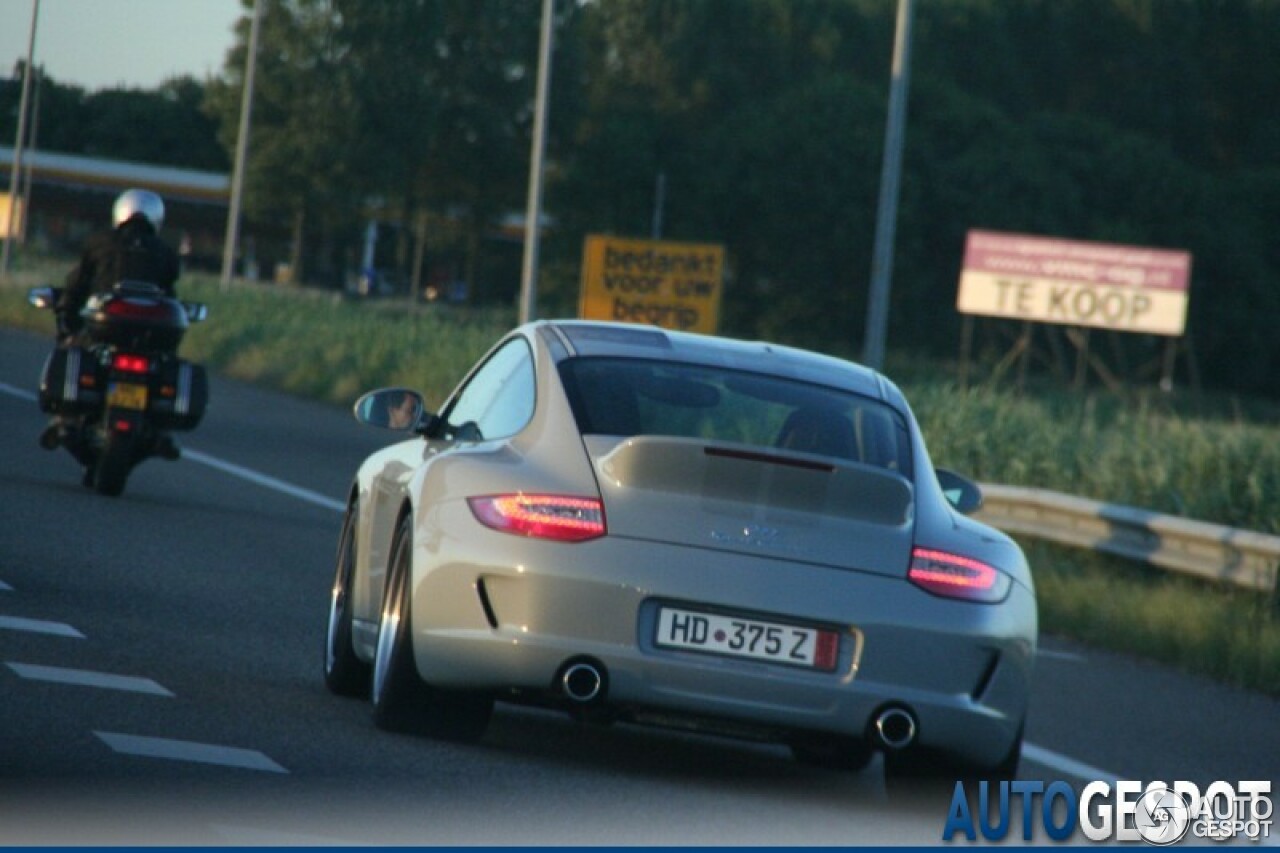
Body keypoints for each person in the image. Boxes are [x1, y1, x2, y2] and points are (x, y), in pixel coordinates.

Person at [40, 188, 184, 460]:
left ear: (120, 212)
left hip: (106, 326)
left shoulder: (99, 242)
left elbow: (76, 286)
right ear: (156, 218)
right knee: (164, 364)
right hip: (149, 335)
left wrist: (67, 319)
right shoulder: (166, 253)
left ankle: (65, 419)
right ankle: (160, 430)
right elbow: (169, 294)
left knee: (75, 350)